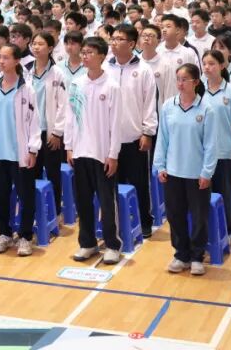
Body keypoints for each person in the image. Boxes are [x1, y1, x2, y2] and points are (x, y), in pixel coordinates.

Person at [155, 63, 217, 276]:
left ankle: (197, 256)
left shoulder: (206, 109)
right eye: (178, 79)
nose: (180, 84)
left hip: (196, 174)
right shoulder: (168, 106)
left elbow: (211, 144)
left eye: (185, 80)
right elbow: (162, 138)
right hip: (173, 172)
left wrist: (206, 172)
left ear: (196, 82)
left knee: (199, 217)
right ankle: (181, 254)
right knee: (175, 215)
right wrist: (160, 165)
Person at [66, 36, 122, 265]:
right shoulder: (77, 83)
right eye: (84, 52)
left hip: (102, 154)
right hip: (80, 152)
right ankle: (87, 242)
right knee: (83, 201)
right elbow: (70, 117)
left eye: (90, 53)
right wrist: (69, 146)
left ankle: (112, 245)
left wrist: (113, 154)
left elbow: (116, 123)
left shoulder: (112, 86)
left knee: (107, 202)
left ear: (102, 56)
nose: (85, 56)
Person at [0, 44, 41, 256]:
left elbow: (34, 122)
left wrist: (33, 149)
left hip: (20, 153)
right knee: (0, 196)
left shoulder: (27, 89)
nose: (1, 61)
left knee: (25, 196)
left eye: (6, 58)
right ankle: (4, 233)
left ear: (17, 61)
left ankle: (26, 236)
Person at [106, 24, 158, 238]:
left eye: (119, 39)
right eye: (113, 38)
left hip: (135, 137)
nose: (114, 42)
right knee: (111, 184)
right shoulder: (105, 67)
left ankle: (144, 222)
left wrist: (147, 132)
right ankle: (116, 224)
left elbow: (149, 103)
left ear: (131, 44)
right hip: (110, 139)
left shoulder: (143, 69)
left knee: (139, 184)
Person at [200, 49, 231, 235]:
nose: (207, 67)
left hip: (224, 152)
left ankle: (225, 231)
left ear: (222, 66)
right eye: (204, 64)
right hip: (201, 153)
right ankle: (206, 231)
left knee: (224, 194)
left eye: (212, 64)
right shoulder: (199, 90)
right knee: (203, 195)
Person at [27, 31, 69, 214]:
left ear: (50, 48)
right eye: (34, 43)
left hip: (50, 132)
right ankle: (34, 210)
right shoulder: (26, 71)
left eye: (41, 44)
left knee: (52, 172)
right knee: (31, 171)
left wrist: (58, 132)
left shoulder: (57, 73)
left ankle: (55, 211)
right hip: (31, 131)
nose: (36, 47)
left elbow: (63, 105)